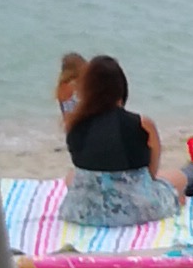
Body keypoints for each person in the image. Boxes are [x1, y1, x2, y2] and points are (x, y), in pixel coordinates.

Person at [58, 56, 177, 229]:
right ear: (121, 86)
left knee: (72, 176)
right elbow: (152, 173)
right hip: (132, 210)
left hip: (84, 212)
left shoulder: (74, 124)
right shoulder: (143, 124)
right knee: (179, 179)